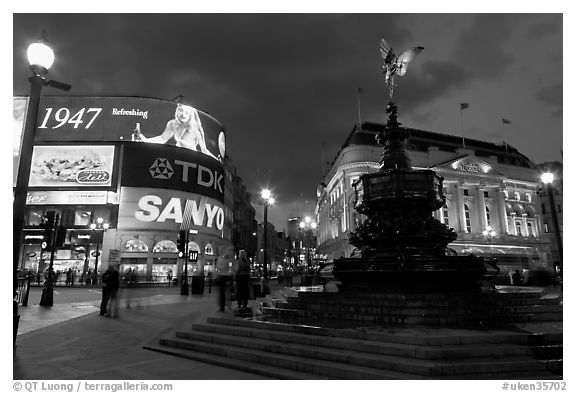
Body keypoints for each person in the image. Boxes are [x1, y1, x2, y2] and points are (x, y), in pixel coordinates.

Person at [135, 104, 219, 160]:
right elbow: (162, 138)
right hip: (176, 157)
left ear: (190, 115)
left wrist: (216, 160)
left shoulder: (195, 130)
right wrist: (145, 140)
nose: (183, 114)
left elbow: (204, 150)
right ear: (177, 111)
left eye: (187, 112)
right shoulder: (172, 123)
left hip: (191, 159)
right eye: (181, 110)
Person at [215, 246, 234, 312]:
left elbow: (229, 268)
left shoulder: (226, 259)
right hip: (222, 277)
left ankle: (227, 306)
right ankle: (223, 307)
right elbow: (218, 267)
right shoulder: (220, 258)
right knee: (222, 293)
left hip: (225, 277)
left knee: (226, 293)